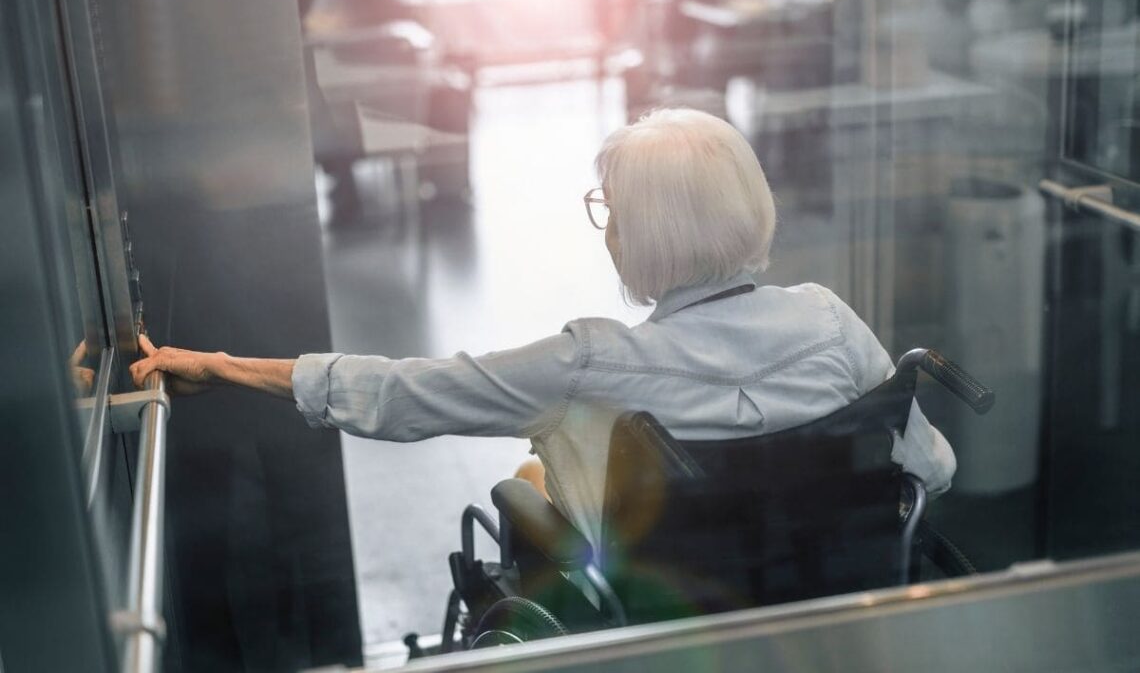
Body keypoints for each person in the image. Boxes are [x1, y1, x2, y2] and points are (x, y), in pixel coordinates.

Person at [130, 108, 955, 549]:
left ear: (636, 233)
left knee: (530, 475)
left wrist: (227, 365)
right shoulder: (830, 319)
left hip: (663, 601)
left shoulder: (590, 361)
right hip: (827, 593)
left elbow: (405, 393)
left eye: (613, 211)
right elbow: (933, 468)